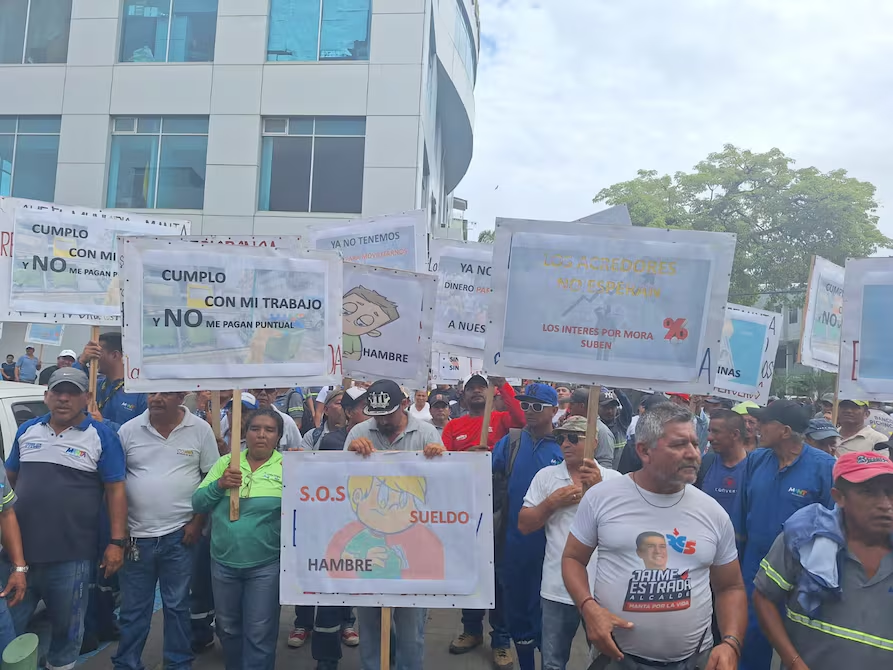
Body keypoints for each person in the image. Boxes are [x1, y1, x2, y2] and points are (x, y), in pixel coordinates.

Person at [562, 403, 747, 670]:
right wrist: (588, 607)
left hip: (694, 661)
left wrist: (731, 643)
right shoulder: (602, 498)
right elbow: (572, 559)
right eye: (679, 444)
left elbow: (730, 587)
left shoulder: (713, 512)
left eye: (695, 444)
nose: (693, 453)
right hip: (617, 659)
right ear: (644, 451)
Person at [4, 368, 127, 670]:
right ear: (47, 396)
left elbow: (115, 491)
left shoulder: (102, 436)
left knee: (66, 636)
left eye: (72, 393)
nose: (63, 398)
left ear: (86, 398)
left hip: (71, 558)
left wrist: (116, 542)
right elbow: (9, 481)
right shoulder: (27, 430)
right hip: (18, 557)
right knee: (7, 633)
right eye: (58, 392)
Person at [753, 451, 893, 669]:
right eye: (868, 492)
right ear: (839, 497)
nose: (885, 504)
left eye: (890, 492)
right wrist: (794, 663)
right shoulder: (805, 539)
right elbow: (764, 597)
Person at [113, 391, 220, 670]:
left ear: (181, 396)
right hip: (136, 539)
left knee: (177, 606)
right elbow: (115, 484)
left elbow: (211, 478)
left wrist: (197, 523)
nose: (157, 398)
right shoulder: (129, 431)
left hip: (180, 537)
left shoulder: (200, 429)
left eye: (166, 393)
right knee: (133, 610)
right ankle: (126, 664)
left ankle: (178, 663)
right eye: (153, 393)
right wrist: (119, 532)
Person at [345, 379, 444, 670]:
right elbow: (342, 482)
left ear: (404, 405)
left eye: (388, 414)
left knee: (411, 632)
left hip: (413, 544)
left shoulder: (426, 433)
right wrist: (349, 454)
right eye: (377, 415)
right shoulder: (359, 432)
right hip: (369, 542)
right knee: (370, 628)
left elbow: (441, 489)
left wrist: (440, 459)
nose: (383, 421)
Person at [734, 400, 835, 670]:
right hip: (755, 568)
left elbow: (832, 524)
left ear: (785, 431)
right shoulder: (756, 460)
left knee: (797, 647)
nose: (758, 427)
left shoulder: (824, 467)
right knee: (751, 638)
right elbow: (742, 514)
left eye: (765, 422)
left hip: (801, 574)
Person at [519, 416, 620, 670]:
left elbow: (626, 531)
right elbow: (524, 525)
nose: (565, 443)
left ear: (594, 442)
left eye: (574, 438)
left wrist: (598, 491)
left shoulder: (614, 480)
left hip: (603, 590)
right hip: (557, 587)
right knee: (553, 662)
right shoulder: (546, 477)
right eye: (561, 438)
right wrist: (551, 503)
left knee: (606, 661)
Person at [192, 408, 285, 670]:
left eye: (269, 430)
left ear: (278, 436)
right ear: (245, 433)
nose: (261, 435)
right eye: (255, 429)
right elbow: (198, 503)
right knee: (228, 628)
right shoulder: (226, 463)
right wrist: (219, 485)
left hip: (266, 566)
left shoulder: (287, 467)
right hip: (223, 563)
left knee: (260, 632)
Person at [491, 383, 564, 670]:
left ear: (554, 410)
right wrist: (476, 458)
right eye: (525, 405)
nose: (529, 411)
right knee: (518, 613)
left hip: (553, 548)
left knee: (550, 620)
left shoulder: (565, 445)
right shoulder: (511, 442)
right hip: (514, 545)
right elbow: (485, 476)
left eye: (537, 406)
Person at [289, 387, 363, 656]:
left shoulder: (369, 439)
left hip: (350, 519)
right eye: (339, 403)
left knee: (344, 572)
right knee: (311, 571)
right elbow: (305, 471)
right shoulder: (319, 437)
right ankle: (304, 625)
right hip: (318, 516)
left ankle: (346, 622)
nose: (341, 408)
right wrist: (298, 459)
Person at [442, 372, 524, 452]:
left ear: (490, 392)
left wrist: (502, 383)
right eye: (471, 388)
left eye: (482, 387)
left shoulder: (501, 418)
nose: (476, 390)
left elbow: (522, 419)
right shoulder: (452, 426)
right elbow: (445, 457)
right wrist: (467, 455)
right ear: (463, 395)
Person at [696, 409, 749, 515]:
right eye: (709, 431)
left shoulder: (755, 467)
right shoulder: (705, 463)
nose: (709, 437)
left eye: (716, 432)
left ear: (735, 434)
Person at [561, 388, 615, 468]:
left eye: (572, 404)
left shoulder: (602, 431)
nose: (569, 407)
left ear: (581, 406)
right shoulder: (570, 424)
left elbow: (605, 462)